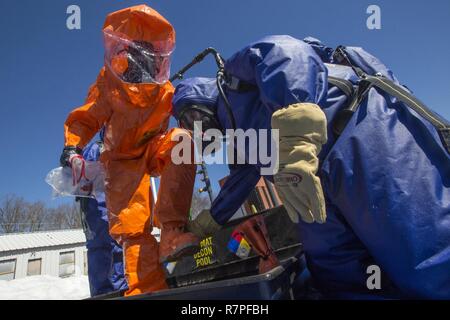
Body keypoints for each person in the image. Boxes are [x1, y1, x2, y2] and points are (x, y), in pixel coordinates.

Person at [172, 35, 450, 299]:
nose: (195, 127)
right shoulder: (238, 139)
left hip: (354, 140)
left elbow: (285, 53)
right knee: (340, 277)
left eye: (191, 115)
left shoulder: (232, 78)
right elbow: (240, 180)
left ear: (201, 94)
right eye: (187, 126)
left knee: (424, 260)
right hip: (305, 190)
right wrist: (203, 225)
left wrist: (297, 136)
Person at [60, 5, 199, 296]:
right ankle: (145, 291)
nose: (140, 62)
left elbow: (186, 107)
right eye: (135, 53)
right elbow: (88, 116)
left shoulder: (165, 90)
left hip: (152, 147)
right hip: (121, 161)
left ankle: (172, 233)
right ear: (123, 52)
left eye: (147, 54)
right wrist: (73, 145)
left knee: (183, 142)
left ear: (157, 57)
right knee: (134, 229)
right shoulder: (109, 82)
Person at [78, 138, 127, 296]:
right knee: (103, 248)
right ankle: (106, 292)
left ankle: (118, 290)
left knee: (118, 248)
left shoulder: (122, 149)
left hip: (114, 213)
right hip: (97, 213)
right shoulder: (94, 150)